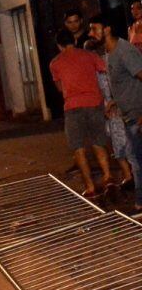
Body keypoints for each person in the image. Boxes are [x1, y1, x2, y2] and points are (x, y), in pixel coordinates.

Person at [50, 29, 114, 196]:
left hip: (72, 107)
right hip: (94, 103)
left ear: (59, 45)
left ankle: (90, 186)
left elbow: (59, 87)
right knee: (98, 142)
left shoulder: (55, 63)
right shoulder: (90, 56)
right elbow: (104, 71)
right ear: (74, 41)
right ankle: (108, 176)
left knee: (78, 148)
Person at [88, 14, 142, 210]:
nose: (90, 33)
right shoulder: (110, 53)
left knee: (137, 161)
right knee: (136, 160)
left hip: (137, 115)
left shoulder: (124, 52)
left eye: (94, 29)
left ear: (107, 29)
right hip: (128, 115)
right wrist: (114, 102)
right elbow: (125, 83)